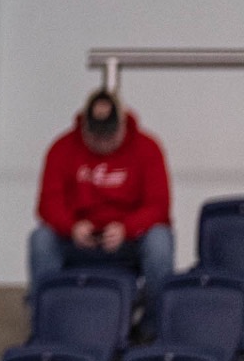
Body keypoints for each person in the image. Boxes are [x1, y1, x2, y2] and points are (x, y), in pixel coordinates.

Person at [30, 89, 173, 301]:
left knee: (159, 241)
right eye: (96, 135)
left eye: (110, 135)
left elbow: (158, 206)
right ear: (84, 127)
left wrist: (127, 229)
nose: (103, 143)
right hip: (76, 240)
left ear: (123, 125)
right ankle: (46, 312)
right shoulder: (61, 149)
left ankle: (156, 318)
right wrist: (71, 227)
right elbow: (48, 203)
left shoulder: (148, 148)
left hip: (129, 242)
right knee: (42, 239)